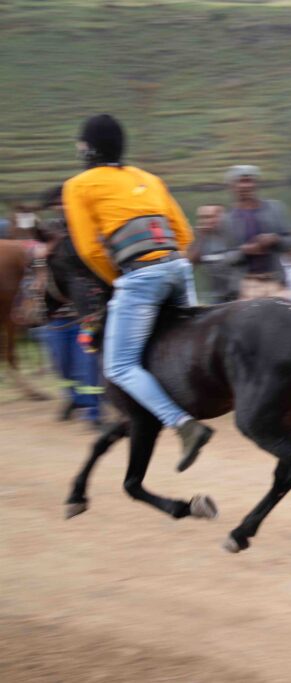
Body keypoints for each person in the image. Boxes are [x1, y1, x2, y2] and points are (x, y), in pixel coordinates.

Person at [62, 114, 213, 471]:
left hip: (142, 275)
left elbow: (89, 250)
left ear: (87, 149)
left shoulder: (78, 186)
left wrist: (118, 281)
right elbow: (185, 235)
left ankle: (183, 426)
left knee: (118, 365)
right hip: (178, 268)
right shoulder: (149, 178)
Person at [39, 185, 104, 427]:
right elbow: (35, 267)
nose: (61, 207)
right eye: (58, 204)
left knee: (86, 359)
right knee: (63, 363)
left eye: (65, 202)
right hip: (57, 314)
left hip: (86, 312)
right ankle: (76, 400)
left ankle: (94, 412)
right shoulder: (48, 234)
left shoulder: (89, 230)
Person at [219, 165, 291, 300]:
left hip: (275, 280)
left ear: (257, 184)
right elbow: (225, 258)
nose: (245, 186)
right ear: (231, 186)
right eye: (240, 181)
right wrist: (244, 251)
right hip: (246, 285)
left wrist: (275, 239)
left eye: (249, 180)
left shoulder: (275, 208)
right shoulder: (227, 219)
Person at [185, 204, 236, 303]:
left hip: (240, 295)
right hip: (218, 299)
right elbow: (188, 266)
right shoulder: (202, 239)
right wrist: (200, 238)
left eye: (210, 217)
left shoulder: (234, 234)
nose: (205, 221)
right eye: (201, 218)